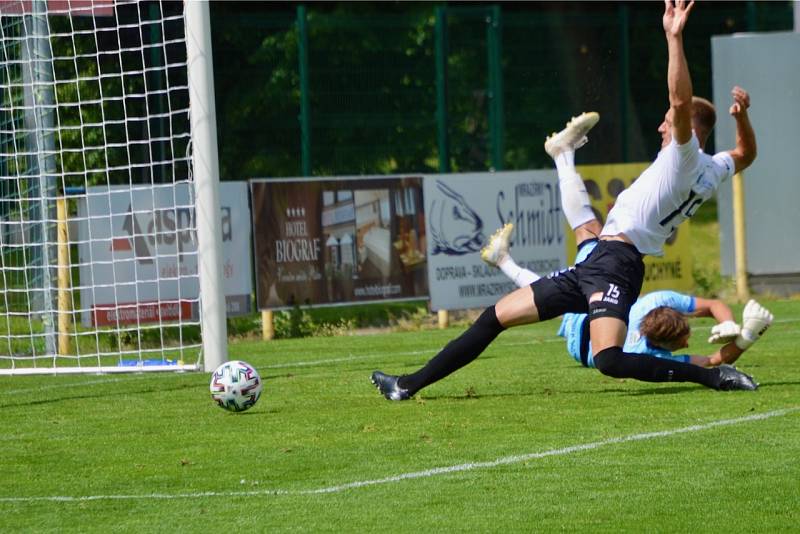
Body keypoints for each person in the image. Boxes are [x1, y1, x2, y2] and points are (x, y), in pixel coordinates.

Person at [371, 0, 770, 400]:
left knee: (609, 359)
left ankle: (714, 376)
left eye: (667, 123)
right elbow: (746, 155)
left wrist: (674, 37)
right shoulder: (713, 166)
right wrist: (742, 119)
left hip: (618, 266)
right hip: (599, 260)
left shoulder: (683, 157)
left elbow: (681, 101)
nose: (662, 126)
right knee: (496, 316)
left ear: (688, 131)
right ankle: (407, 385)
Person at [481, 218, 771, 370]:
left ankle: (503, 259)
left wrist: (728, 323)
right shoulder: (640, 354)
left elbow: (715, 306)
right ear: (662, 345)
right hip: (581, 341)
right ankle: (563, 157)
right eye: (683, 341)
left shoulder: (657, 301)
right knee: (585, 237)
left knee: (586, 234)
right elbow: (710, 362)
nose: (688, 341)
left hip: (592, 314)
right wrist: (747, 337)